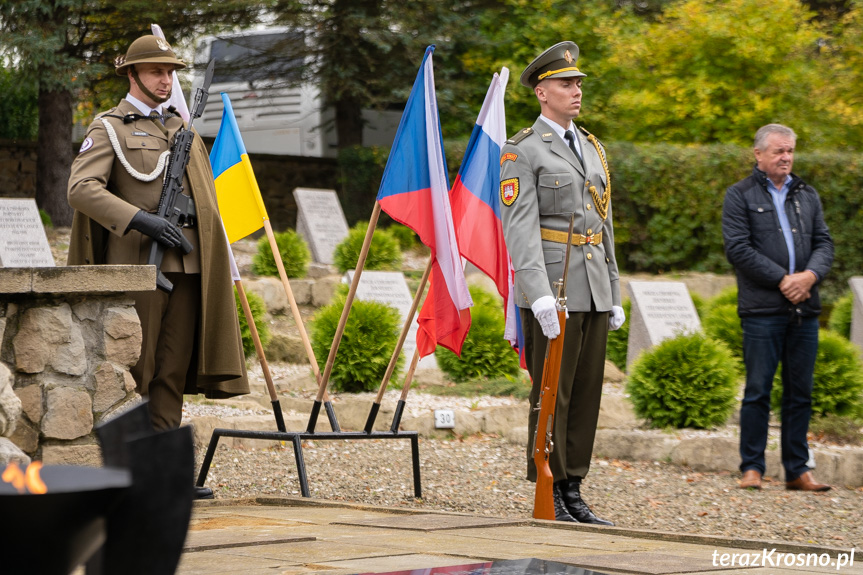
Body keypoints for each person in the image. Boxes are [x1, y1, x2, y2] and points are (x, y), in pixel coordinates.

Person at [67, 35, 249, 498]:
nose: (165, 80)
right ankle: (127, 468)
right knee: (137, 368)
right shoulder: (110, 127)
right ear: (132, 75)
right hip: (137, 266)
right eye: (155, 72)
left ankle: (167, 474)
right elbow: (82, 188)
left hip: (186, 265)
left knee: (171, 369)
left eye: (170, 72)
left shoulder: (179, 127)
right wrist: (140, 221)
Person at [500, 41, 624, 524]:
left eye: (577, 83)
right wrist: (538, 295)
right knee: (553, 391)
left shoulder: (592, 147)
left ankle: (575, 487)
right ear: (541, 92)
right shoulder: (523, 150)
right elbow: (520, 228)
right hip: (553, 287)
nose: (576, 91)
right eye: (566, 84)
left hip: (591, 284)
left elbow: (604, 220)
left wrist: (613, 290)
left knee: (587, 389)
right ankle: (549, 485)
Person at [722, 123, 834, 492]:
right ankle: (752, 467)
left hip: (805, 308)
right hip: (762, 310)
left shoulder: (807, 195)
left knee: (800, 391)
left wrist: (810, 275)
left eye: (789, 151)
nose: (786, 157)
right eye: (778, 151)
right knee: (758, 390)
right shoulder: (739, 195)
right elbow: (737, 248)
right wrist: (784, 280)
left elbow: (824, 243)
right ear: (758, 154)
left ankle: (798, 470)